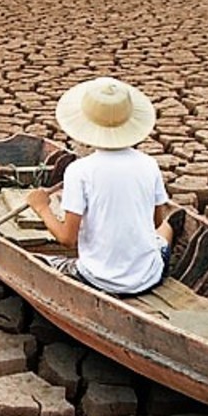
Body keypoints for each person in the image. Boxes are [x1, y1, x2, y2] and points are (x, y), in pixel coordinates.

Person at [27, 76, 177, 295]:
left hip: (97, 280)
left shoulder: (79, 171)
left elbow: (67, 240)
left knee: (39, 260)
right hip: (149, 277)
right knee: (167, 229)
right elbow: (156, 222)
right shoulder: (149, 164)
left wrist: (41, 207)